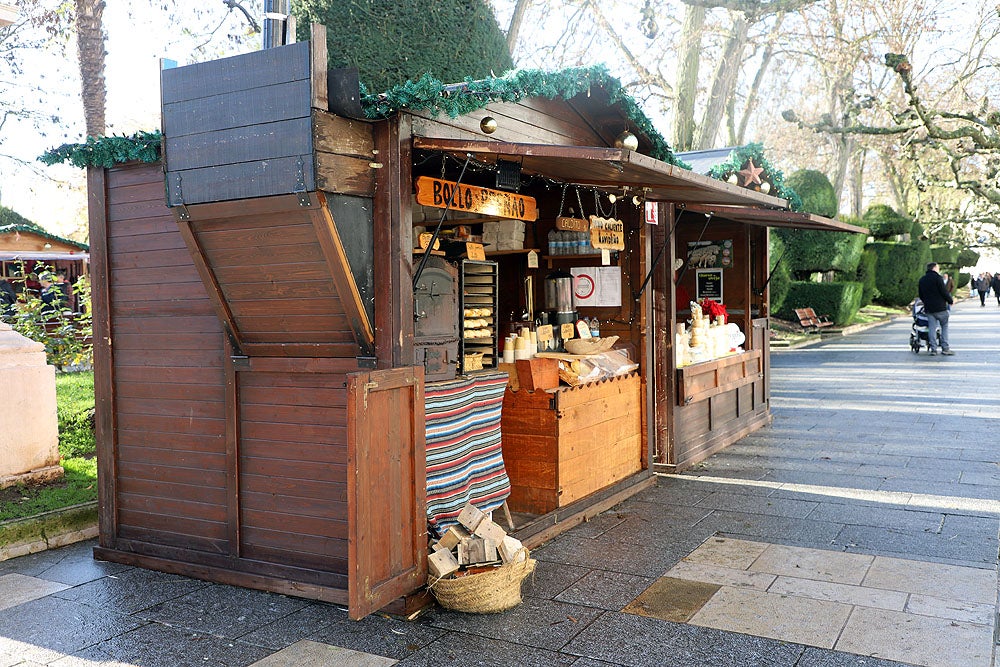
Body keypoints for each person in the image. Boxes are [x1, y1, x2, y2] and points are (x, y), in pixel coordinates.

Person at [917, 262, 954, 356]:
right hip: (940, 307)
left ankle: (933, 349)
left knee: (932, 329)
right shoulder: (938, 278)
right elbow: (943, 291)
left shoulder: (922, 280)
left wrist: (926, 302)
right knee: (944, 327)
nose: (938, 269)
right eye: (938, 268)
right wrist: (950, 300)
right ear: (934, 268)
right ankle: (945, 348)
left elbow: (921, 294)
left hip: (929, 308)